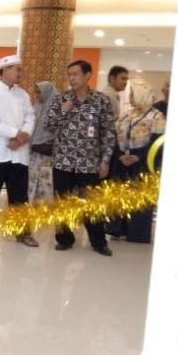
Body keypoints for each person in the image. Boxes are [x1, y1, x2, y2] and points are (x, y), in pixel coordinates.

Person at [46, 59, 117, 255]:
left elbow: (108, 133)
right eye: (69, 75)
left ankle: (98, 242)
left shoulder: (101, 100)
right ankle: (64, 238)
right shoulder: (61, 99)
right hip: (63, 161)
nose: (71, 78)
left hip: (89, 163)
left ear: (87, 76)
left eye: (75, 74)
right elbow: (49, 125)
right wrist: (63, 111)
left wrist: (105, 160)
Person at [0, 55, 38, 247]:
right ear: (4, 71)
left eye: (21, 70)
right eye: (17, 69)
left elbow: (30, 117)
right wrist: (15, 134)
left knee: (19, 196)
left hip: (18, 153)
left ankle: (22, 233)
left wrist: (23, 136)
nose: (20, 73)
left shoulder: (23, 95)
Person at [106, 84, 166, 242]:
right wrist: (120, 155)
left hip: (143, 161)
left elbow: (157, 142)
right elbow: (114, 136)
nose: (131, 97)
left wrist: (139, 156)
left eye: (133, 94)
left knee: (139, 197)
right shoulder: (128, 115)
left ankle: (137, 233)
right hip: (122, 160)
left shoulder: (156, 117)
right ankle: (117, 229)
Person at [27, 80, 58, 204]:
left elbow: (57, 130)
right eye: (36, 92)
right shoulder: (36, 106)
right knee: (32, 182)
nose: (37, 95)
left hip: (48, 155)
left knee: (46, 184)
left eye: (39, 92)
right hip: (34, 153)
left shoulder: (56, 109)